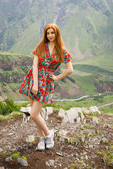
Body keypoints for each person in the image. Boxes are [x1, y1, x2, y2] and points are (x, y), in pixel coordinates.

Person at [19, 23, 73, 151]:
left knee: (33, 115)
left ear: (57, 34)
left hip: (46, 83)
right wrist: (35, 84)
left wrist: (56, 78)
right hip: (34, 79)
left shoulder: (62, 51)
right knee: (34, 113)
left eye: (52, 33)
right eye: (48, 33)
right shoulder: (41, 46)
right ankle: (42, 138)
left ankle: (49, 135)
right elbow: (35, 65)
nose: (50, 35)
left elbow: (70, 69)